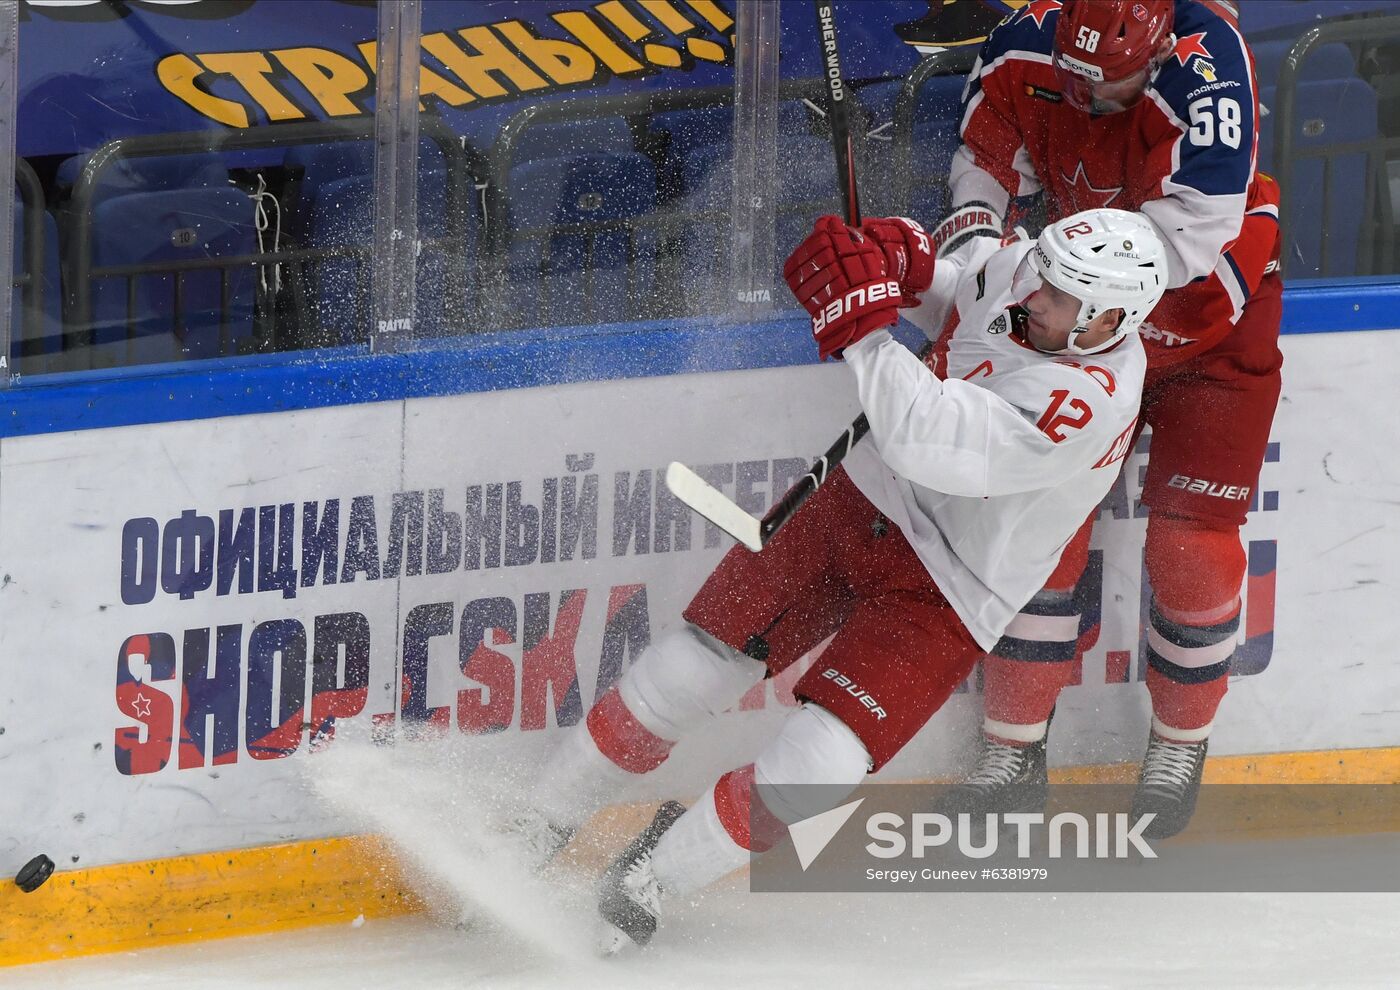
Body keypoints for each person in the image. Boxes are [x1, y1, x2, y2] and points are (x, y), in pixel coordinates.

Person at [519, 206, 1167, 952]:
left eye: (1062, 298)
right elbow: (964, 297)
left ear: (1112, 319)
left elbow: (928, 436)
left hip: (954, 586)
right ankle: (539, 817)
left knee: (818, 767)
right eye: (1044, 277)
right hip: (864, 495)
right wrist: (900, 266)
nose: (1037, 297)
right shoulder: (1036, 277)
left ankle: (654, 878)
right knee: (687, 670)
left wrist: (859, 323)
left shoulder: (1088, 404)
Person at [930, 0, 1282, 837]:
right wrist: (981, 268)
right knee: (1037, 523)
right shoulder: (1025, 39)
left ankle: (1180, 742)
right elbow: (983, 162)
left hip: (1205, 311)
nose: (1088, 101)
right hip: (1078, 312)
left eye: (1112, 84)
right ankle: (1013, 752)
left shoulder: (1209, 63)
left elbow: (1195, 232)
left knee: (1190, 544)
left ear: (1157, 50)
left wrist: (1056, 284)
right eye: (1075, 78)